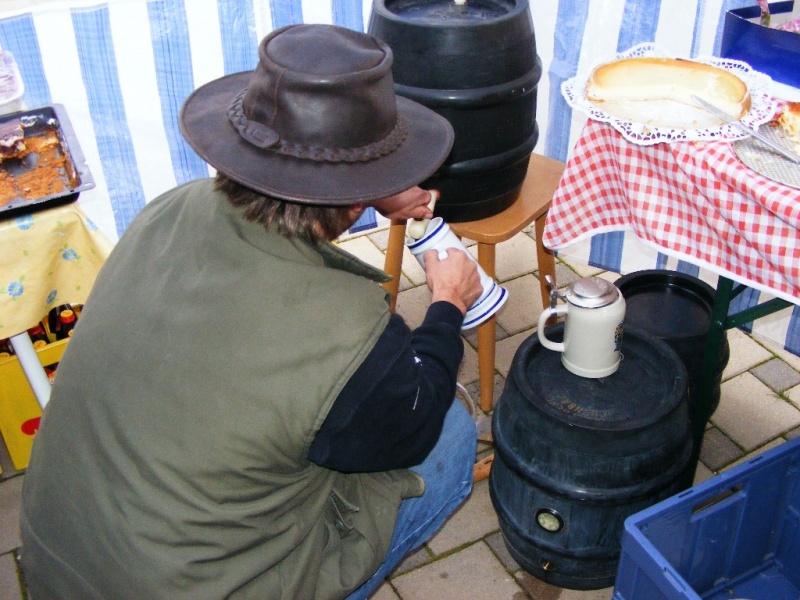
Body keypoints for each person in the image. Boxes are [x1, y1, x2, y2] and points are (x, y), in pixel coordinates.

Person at [20, 23, 483, 600]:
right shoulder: (342, 325)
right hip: (190, 589)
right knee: (449, 432)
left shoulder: (170, 208)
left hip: (57, 564)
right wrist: (447, 304)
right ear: (357, 193)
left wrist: (370, 186)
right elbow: (411, 425)